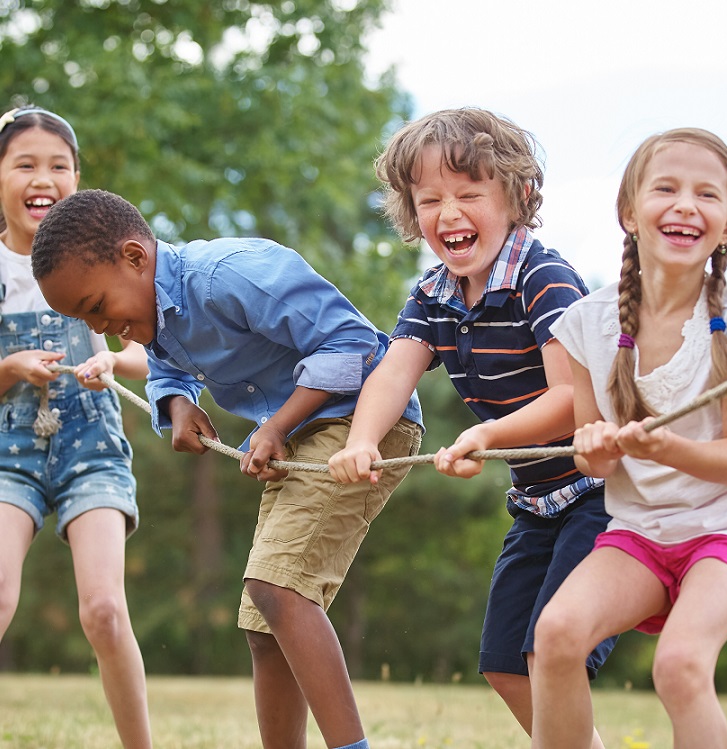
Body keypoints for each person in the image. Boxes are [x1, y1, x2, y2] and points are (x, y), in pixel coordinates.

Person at [30, 187, 423, 749]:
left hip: (361, 422)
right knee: (264, 625)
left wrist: (276, 425)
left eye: (97, 307)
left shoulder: (230, 275)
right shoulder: (157, 317)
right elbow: (167, 368)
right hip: (300, 434)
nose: (106, 327)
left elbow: (352, 343)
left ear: (135, 258)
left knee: (277, 590)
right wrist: (177, 405)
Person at [327, 107, 616, 744]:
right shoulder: (434, 294)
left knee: (549, 649)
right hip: (538, 501)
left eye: (468, 194)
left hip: (602, 494)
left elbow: (570, 397)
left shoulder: (543, 280)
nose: (448, 213)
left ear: (516, 196)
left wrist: (486, 435)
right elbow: (392, 374)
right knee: (505, 666)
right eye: (429, 199)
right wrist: (361, 440)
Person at [530, 128, 727, 749]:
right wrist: (593, 451)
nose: (686, 205)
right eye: (667, 189)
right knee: (557, 635)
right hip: (639, 535)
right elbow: (590, 456)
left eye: (708, 194)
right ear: (629, 212)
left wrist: (665, 449)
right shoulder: (585, 325)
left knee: (679, 667)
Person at [0, 106, 151, 747]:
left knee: (105, 611)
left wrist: (112, 357)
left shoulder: (103, 255)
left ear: (77, 178)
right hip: (9, 454)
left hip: (92, 449)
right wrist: (9, 366)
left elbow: (151, 353)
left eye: (59, 165)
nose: (44, 177)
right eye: (25, 164)